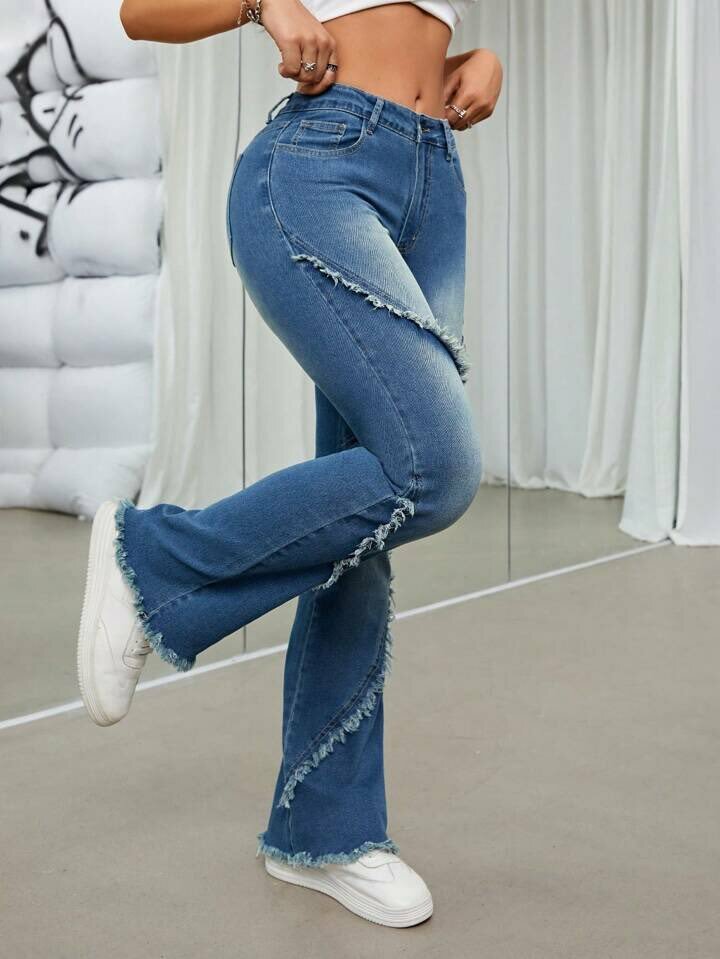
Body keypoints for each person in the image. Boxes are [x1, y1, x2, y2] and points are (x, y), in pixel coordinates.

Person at [77, 0, 502, 928]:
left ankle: (326, 832)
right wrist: (263, 5)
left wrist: (475, 60)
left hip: (434, 178)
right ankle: (154, 560)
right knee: (433, 468)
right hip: (321, 165)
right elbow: (141, 12)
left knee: (367, 523)